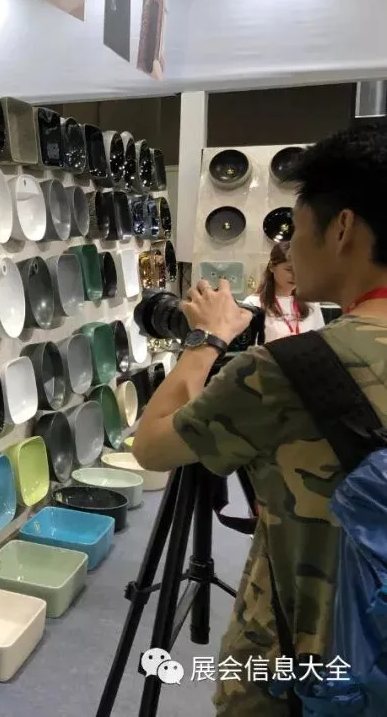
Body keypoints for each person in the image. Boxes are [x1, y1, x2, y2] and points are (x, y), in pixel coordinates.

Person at [132, 122, 387, 716]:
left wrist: (207, 338)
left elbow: (152, 446)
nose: (290, 250)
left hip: (307, 665)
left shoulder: (287, 370)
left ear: (342, 229)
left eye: (295, 230)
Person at [244, 242, 326, 342]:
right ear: (272, 267)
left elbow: (321, 342)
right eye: (289, 270)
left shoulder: (311, 302)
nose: (295, 276)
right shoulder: (253, 304)